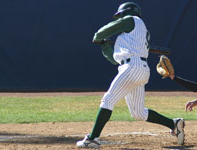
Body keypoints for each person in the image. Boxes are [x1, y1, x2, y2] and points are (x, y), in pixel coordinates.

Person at [76, 2, 185, 148]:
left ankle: (93, 138)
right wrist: (104, 45)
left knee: (107, 100)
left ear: (126, 13)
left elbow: (103, 31)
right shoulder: (130, 36)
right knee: (138, 113)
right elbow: (115, 60)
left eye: (120, 15)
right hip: (137, 68)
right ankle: (173, 123)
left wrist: (98, 37)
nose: (119, 18)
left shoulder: (132, 20)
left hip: (133, 67)